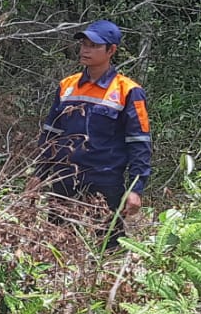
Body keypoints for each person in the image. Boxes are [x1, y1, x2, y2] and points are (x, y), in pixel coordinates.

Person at [31, 19, 152, 246]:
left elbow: (139, 143)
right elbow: (51, 134)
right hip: (64, 177)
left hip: (105, 179)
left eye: (94, 45)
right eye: (84, 43)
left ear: (111, 50)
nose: (86, 49)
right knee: (56, 243)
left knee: (109, 244)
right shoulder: (67, 85)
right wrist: (39, 174)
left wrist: (136, 189)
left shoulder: (129, 91)